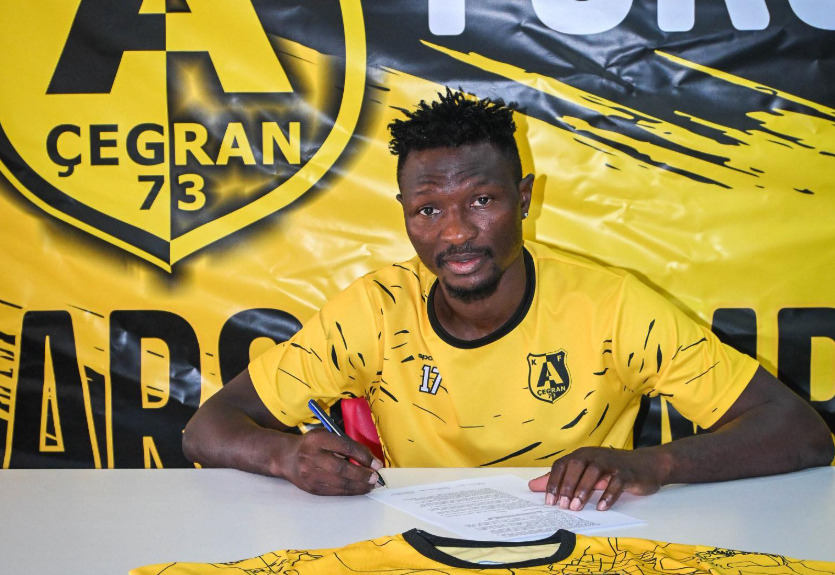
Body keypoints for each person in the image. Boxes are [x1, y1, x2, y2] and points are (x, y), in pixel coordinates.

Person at [183, 89, 833, 511]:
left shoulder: (610, 305)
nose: (456, 232)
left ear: (523, 199)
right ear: (405, 213)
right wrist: (285, 456)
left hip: (588, 545)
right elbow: (206, 427)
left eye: (482, 201)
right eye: (428, 209)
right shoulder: (374, 309)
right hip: (421, 551)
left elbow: (800, 431)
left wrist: (650, 463)